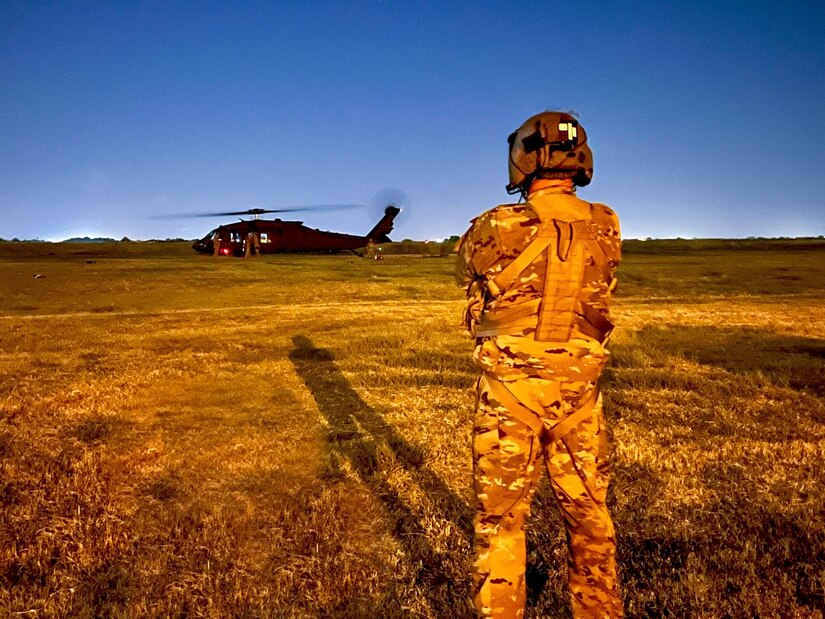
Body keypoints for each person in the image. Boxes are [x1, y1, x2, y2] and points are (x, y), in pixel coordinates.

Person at [457, 111, 623, 618]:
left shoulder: (498, 225)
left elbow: (466, 263)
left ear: (525, 158)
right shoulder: (608, 223)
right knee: (591, 519)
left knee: (501, 525)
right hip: (580, 397)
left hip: (512, 397)